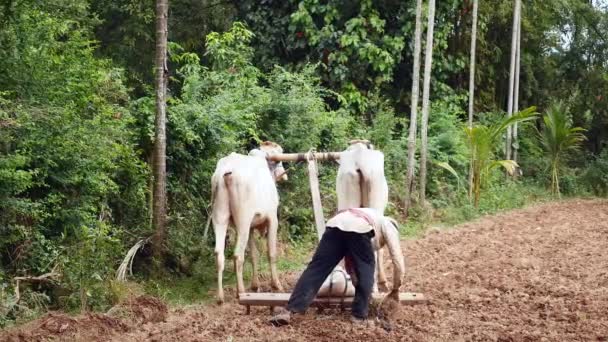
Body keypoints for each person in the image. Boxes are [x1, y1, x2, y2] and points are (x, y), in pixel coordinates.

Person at [269, 208, 405, 326]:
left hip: (335, 225)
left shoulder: (371, 216)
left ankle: (290, 310)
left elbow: (351, 262)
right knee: (367, 270)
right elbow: (397, 261)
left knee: (316, 268)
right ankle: (359, 316)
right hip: (360, 227)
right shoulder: (389, 225)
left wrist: (360, 288)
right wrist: (396, 289)